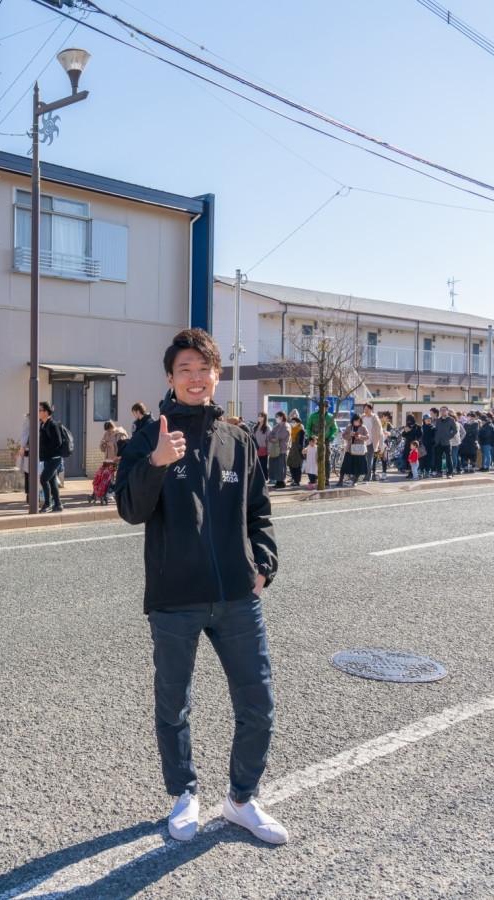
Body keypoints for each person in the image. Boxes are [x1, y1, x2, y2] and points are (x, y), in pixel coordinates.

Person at [115, 327, 285, 846]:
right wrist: (156, 464)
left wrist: (263, 565)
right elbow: (130, 509)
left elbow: (259, 512)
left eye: (203, 369)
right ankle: (184, 793)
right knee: (174, 704)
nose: (195, 378)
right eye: (184, 369)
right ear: (170, 378)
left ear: (217, 375)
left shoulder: (237, 439)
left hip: (237, 595)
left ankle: (242, 800)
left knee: (258, 703)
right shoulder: (148, 437)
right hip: (175, 596)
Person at [37, 401, 63, 513]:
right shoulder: (42, 424)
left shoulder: (52, 425)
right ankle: (58, 505)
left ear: (46, 412)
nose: (38, 412)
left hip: (54, 458)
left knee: (43, 479)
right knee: (52, 482)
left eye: (40, 410)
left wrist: (47, 450)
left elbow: (58, 442)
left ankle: (47, 504)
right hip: (48, 459)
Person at [338, 414, 370, 486]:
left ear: (360, 421)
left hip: (359, 450)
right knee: (345, 466)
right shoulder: (349, 427)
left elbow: (367, 437)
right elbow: (343, 436)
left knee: (359, 466)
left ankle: (355, 481)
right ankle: (340, 480)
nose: (356, 422)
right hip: (350, 449)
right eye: (355, 421)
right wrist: (350, 435)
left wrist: (360, 436)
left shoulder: (363, 427)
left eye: (358, 421)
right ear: (353, 421)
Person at [432, 407, 458, 479]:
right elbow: (436, 430)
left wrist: (448, 436)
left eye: (444, 410)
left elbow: (455, 430)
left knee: (448, 458)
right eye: (441, 410)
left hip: (447, 442)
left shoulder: (451, 420)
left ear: (447, 411)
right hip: (438, 442)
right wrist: (436, 439)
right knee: (438, 458)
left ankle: (450, 473)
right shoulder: (438, 420)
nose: (442, 412)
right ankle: (439, 472)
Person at [268, 411, 290, 489]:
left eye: (277, 417)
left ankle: (281, 482)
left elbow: (282, 436)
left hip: (282, 449)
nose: (276, 418)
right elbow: (270, 435)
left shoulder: (286, 425)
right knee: (276, 466)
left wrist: (274, 438)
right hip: (275, 449)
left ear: (282, 417)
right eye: (276, 417)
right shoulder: (276, 426)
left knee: (281, 466)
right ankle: (278, 482)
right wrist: (273, 438)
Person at [363, 403, 383, 482]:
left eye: (367, 409)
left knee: (369, 460)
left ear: (371, 409)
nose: (365, 410)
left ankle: (368, 476)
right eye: (364, 409)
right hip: (362, 442)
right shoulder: (362, 417)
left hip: (371, 442)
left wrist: (380, 444)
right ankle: (364, 474)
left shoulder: (375, 419)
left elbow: (380, 432)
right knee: (364, 460)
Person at [286, 412, 305, 487]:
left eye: (294, 422)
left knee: (297, 466)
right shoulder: (291, 430)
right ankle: (294, 479)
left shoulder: (301, 430)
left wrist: (301, 450)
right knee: (291, 465)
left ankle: (297, 481)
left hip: (298, 451)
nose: (292, 423)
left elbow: (302, 442)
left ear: (298, 423)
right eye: (292, 422)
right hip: (291, 450)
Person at [251, 412, 270, 480]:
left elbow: (268, 439)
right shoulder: (255, 427)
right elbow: (252, 438)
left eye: (261, 416)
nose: (259, 418)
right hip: (256, 448)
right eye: (258, 416)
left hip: (264, 448)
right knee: (257, 465)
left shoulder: (267, 428)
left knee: (263, 465)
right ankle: (258, 478)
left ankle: (264, 478)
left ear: (264, 418)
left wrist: (268, 450)